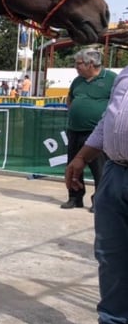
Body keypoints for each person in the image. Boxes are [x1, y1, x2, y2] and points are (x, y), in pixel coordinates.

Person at [65, 64, 128, 324]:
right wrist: (81, 157)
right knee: (111, 254)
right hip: (115, 172)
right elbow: (108, 121)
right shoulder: (124, 75)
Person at [61, 49, 116, 211]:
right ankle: (74, 197)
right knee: (72, 165)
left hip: (96, 133)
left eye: (78, 64)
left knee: (99, 169)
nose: (75, 67)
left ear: (90, 64)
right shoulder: (78, 80)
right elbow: (70, 99)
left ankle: (99, 200)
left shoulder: (111, 79)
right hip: (74, 130)